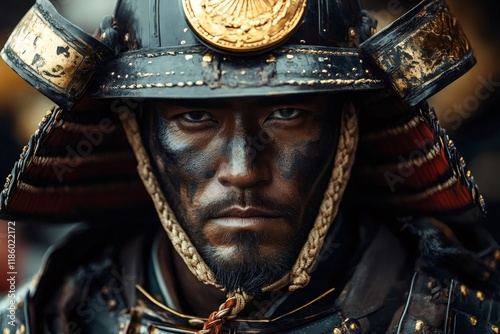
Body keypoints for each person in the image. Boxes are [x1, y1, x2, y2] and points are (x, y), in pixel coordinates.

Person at [0, 0, 499, 333]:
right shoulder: (51, 316)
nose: (243, 170)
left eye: (287, 113)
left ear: (346, 126)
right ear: (139, 132)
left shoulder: (456, 314)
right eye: (195, 116)